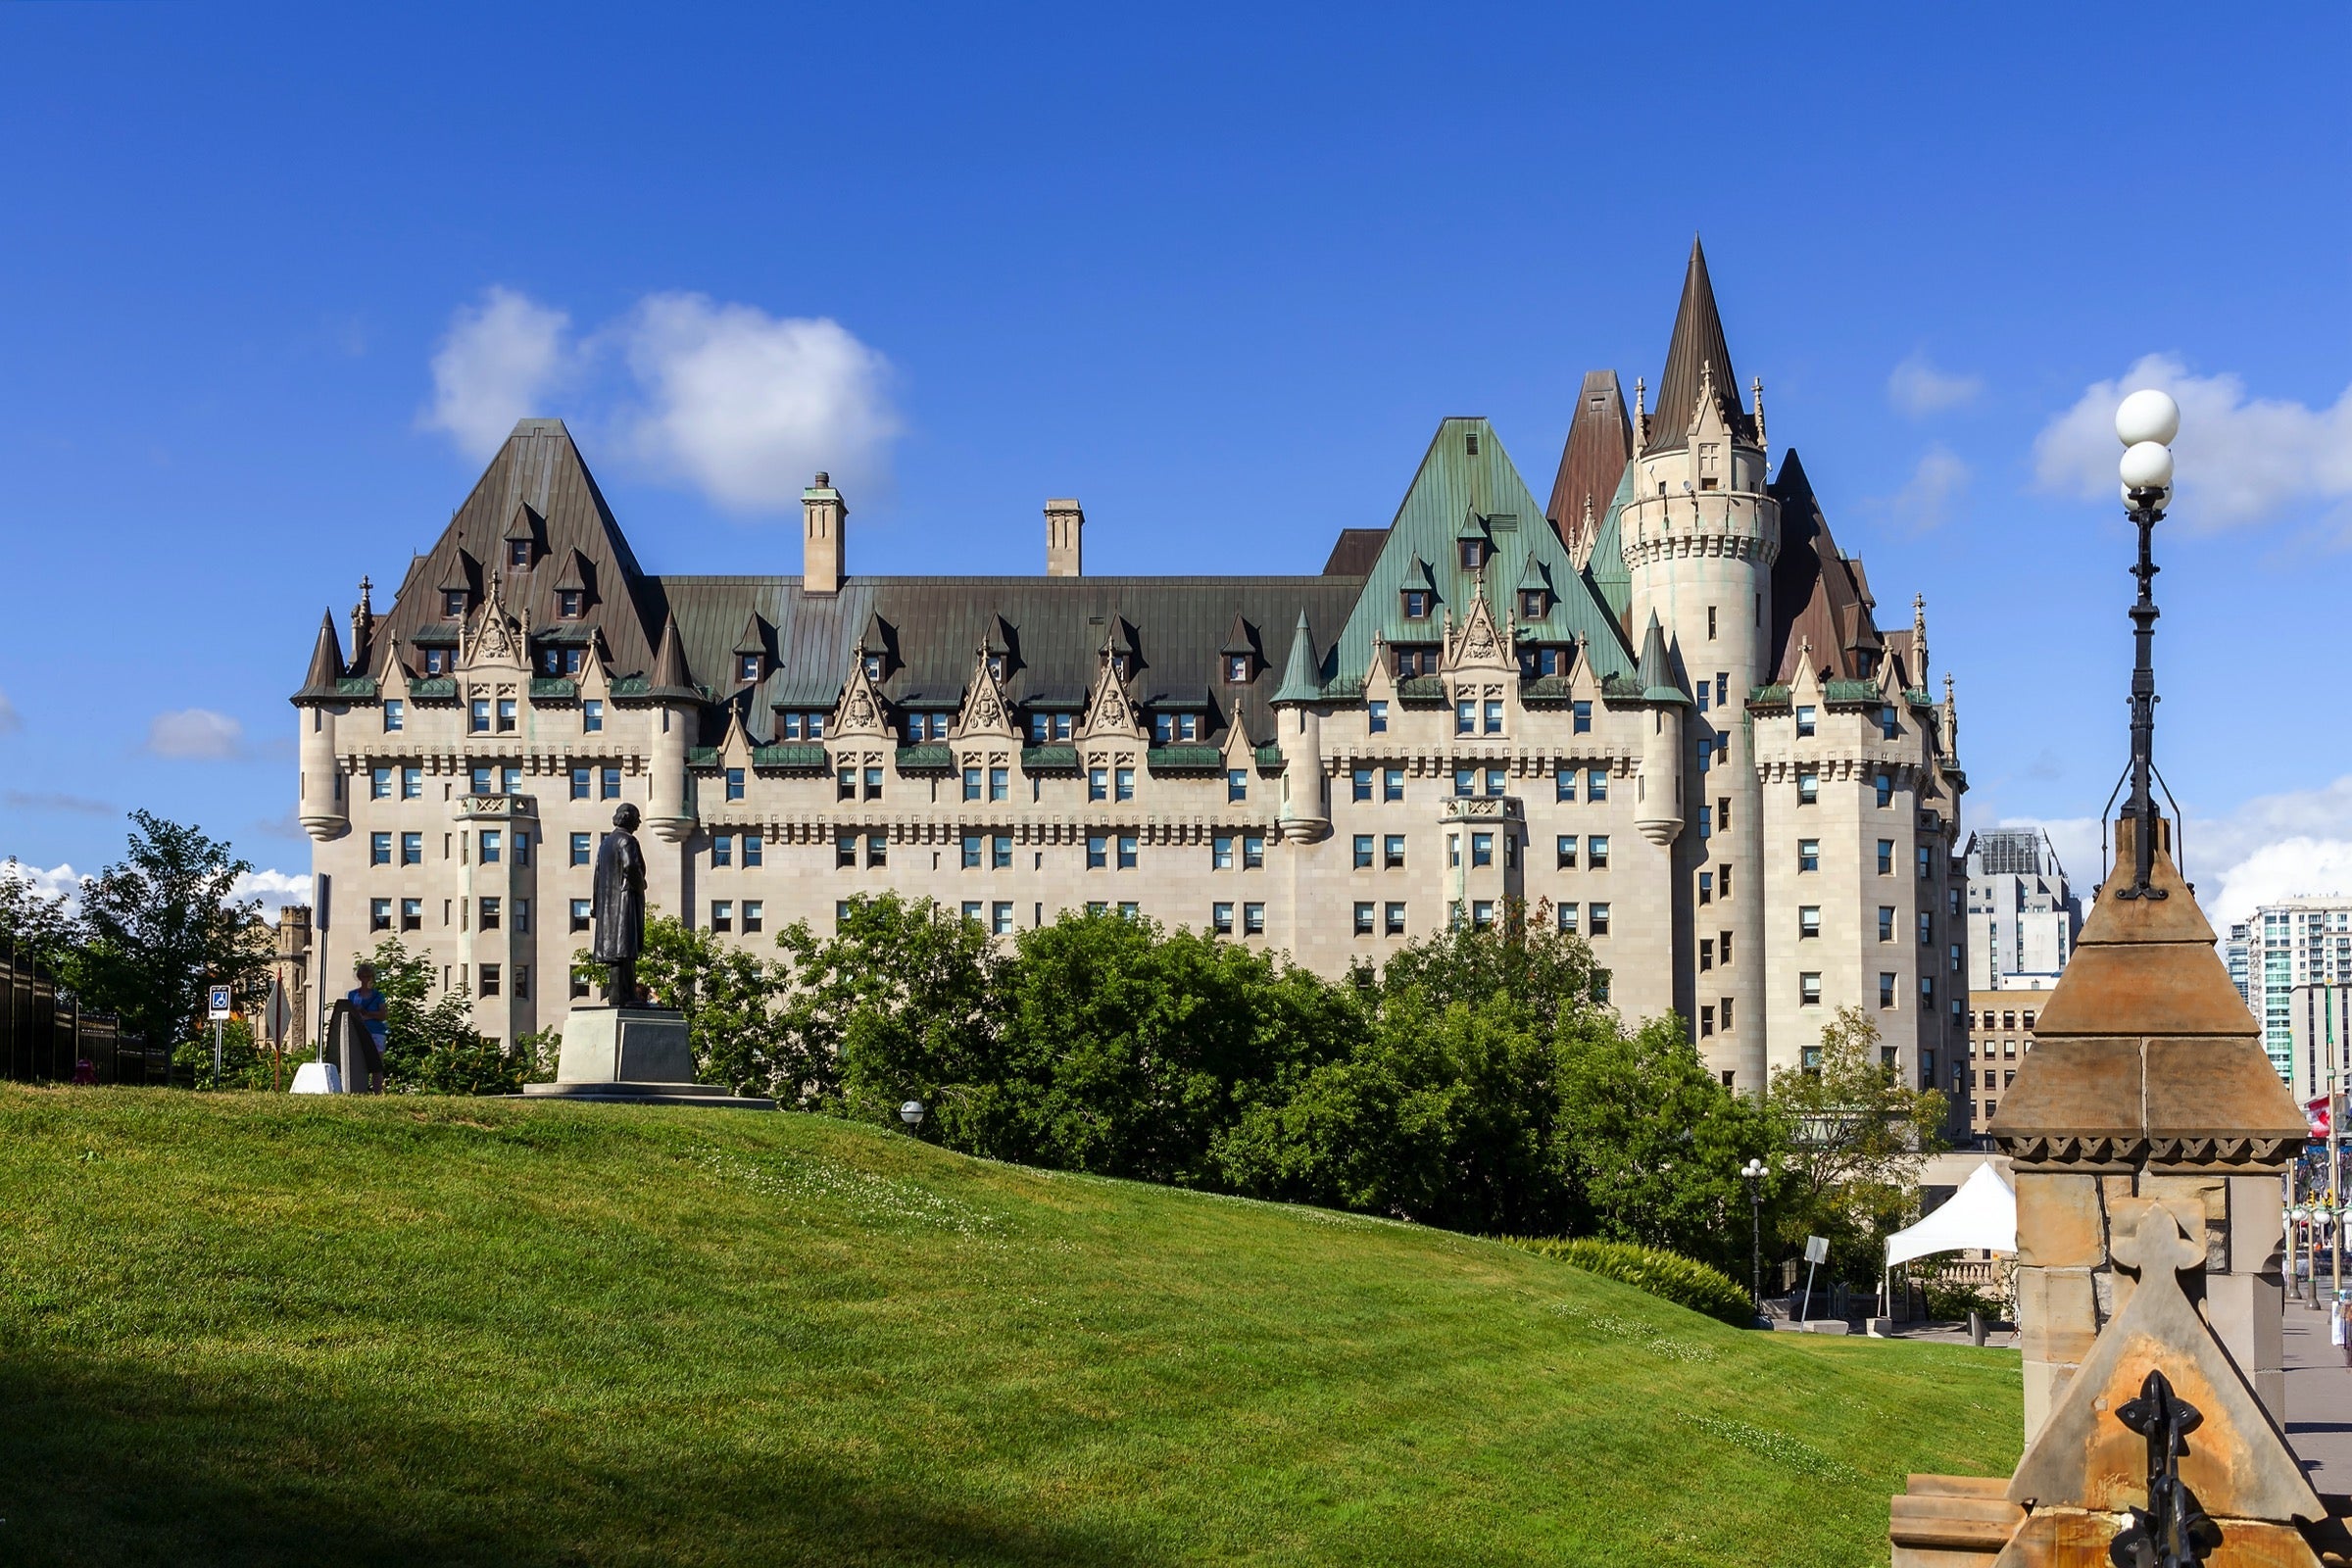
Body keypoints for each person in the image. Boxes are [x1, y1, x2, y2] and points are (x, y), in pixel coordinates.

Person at [347, 962, 389, 1092]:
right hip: (359, 1032)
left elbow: (383, 1015)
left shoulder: (378, 996)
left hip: (376, 1032)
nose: (366, 980)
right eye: (363, 976)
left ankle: (377, 1092)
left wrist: (367, 1014)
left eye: (368, 976)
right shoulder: (352, 995)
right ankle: (358, 1090)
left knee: (377, 1064)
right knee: (358, 1063)